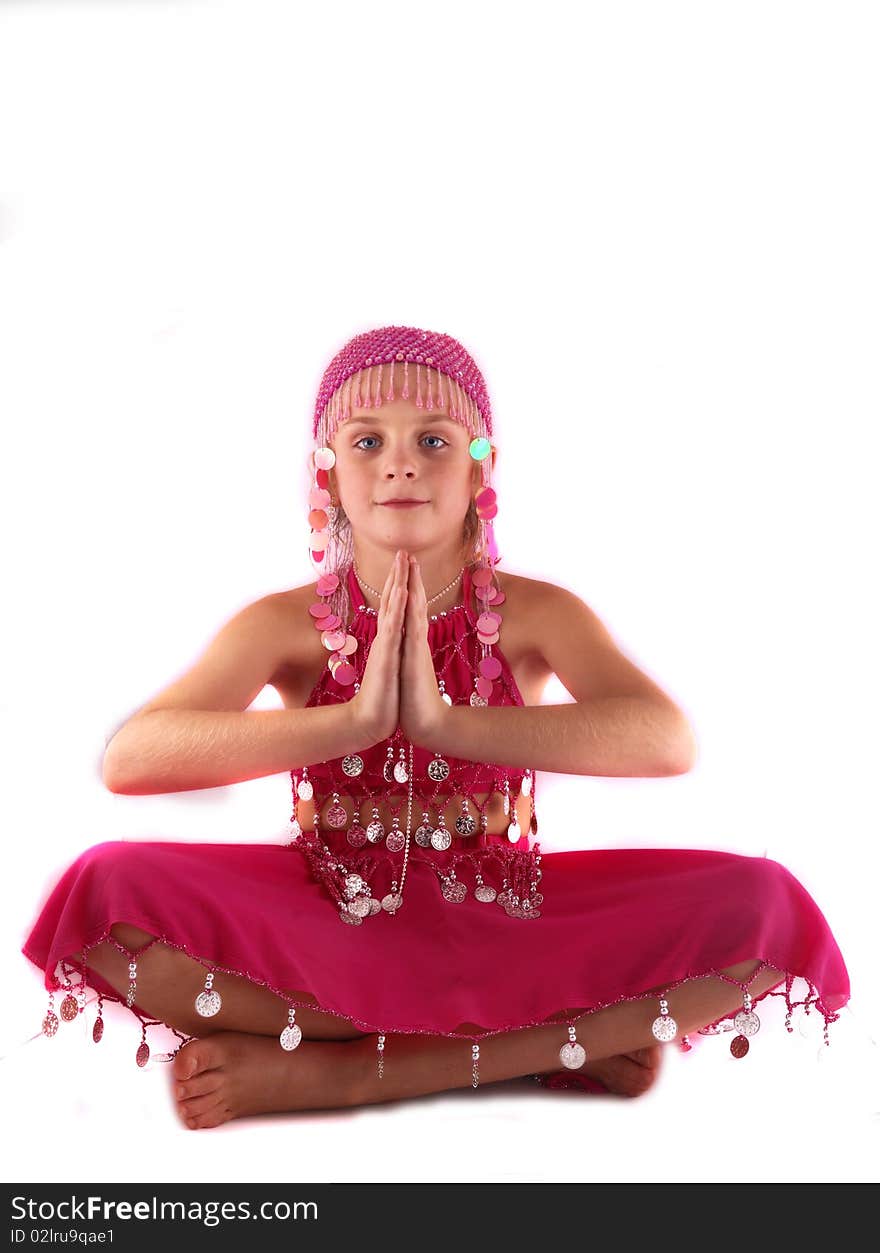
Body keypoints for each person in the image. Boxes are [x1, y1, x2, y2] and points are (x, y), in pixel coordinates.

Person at [22, 324, 850, 1131]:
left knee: (768, 911)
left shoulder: (537, 611)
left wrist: (449, 723)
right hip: (331, 916)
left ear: (484, 464)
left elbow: (666, 738)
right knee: (103, 897)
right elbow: (133, 758)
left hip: (504, 916)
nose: (401, 464)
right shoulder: (283, 624)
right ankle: (548, 1047)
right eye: (367, 442)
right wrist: (353, 721)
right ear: (326, 472)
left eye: (434, 440)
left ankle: (349, 1072)